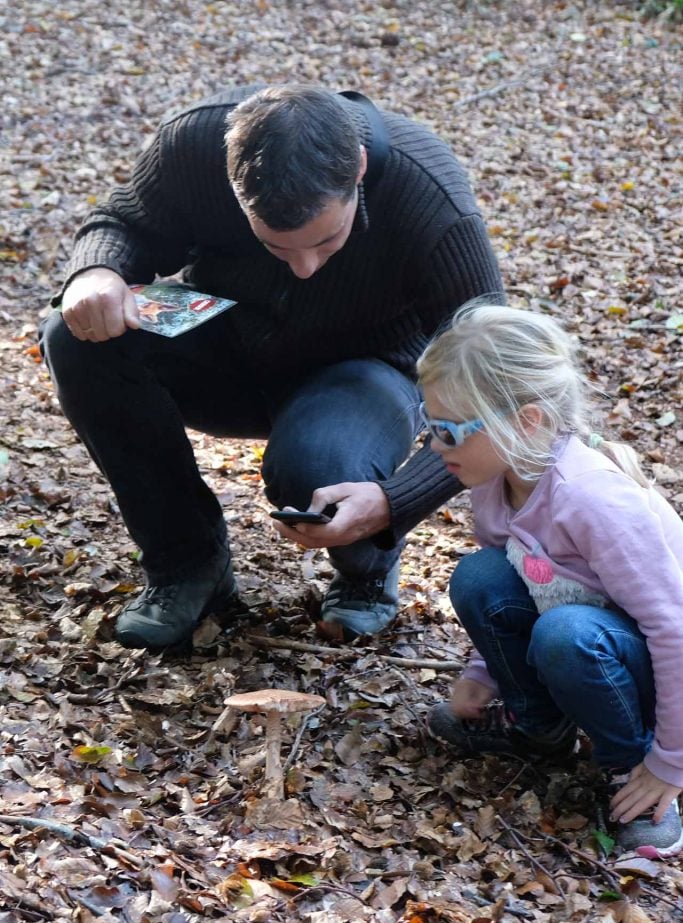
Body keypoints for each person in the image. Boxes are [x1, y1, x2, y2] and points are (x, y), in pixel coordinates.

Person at [40, 83, 503, 651]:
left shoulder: (429, 199)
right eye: (277, 247)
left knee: (319, 468)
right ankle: (187, 564)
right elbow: (125, 221)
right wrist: (96, 272)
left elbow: (496, 390)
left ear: (357, 168)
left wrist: (393, 505)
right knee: (75, 334)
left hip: (366, 370)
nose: (306, 268)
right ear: (232, 187)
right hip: (225, 343)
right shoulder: (193, 144)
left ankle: (365, 572)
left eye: (327, 239)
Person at [417, 303, 683, 858]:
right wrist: (483, 673)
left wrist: (670, 763)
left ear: (526, 421)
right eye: (428, 423)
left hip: (649, 668)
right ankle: (538, 728)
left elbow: (673, 629)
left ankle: (630, 767)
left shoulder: (593, 500)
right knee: (478, 576)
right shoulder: (492, 478)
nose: (435, 446)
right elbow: (508, 580)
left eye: (449, 430)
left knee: (566, 633)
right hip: (587, 645)